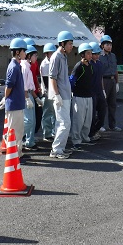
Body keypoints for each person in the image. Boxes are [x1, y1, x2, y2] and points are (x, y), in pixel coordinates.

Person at [49, 31, 74, 159]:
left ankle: (60, 148)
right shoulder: (56, 57)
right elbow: (52, 78)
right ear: (62, 43)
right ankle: (56, 150)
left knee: (62, 123)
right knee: (65, 123)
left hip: (65, 95)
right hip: (61, 96)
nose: (71, 46)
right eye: (70, 43)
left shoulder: (63, 57)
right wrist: (57, 95)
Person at [69, 43, 95, 150]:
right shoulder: (79, 66)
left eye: (91, 53)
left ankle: (85, 136)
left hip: (89, 96)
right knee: (78, 120)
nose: (90, 55)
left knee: (87, 120)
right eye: (88, 53)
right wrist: (71, 91)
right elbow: (72, 79)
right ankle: (76, 140)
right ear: (82, 54)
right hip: (79, 97)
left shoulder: (91, 66)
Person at [4, 38, 27, 159]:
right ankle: (13, 156)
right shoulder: (13, 67)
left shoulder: (17, 66)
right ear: (18, 52)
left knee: (18, 132)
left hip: (17, 104)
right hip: (14, 105)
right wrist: (5, 97)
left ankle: (18, 153)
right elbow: (9, 85)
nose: (25, 53)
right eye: (24, 51)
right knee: (13, 132)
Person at [99, 34, 121, 131]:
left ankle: (112, 125)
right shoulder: (99, 56)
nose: (109, 46)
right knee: (102, 104)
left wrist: (117, 82)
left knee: (113, 104)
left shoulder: (113, 56)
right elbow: (99, 73)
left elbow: (115, 69)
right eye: (107, 44)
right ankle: (100, 125)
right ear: (102, 45)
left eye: (110, 44)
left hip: (112, 80)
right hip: (104, 80)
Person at [21, 44, 40, 150]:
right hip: (25, 96)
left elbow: (31, 86)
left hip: (30, 95)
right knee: (28, 121)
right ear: (29, 56)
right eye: (35, 55)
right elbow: (24, 85)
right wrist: (27, 98)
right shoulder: (24, 66)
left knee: (32, 120)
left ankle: (30, 142)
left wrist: (36, 98)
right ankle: (13, 138)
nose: (36, 58)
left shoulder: (28, 66)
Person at [88, 41, 106, 141]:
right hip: (91, 93)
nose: (98, 55)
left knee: (102, 112)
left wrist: (103, 89)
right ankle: (90, 133)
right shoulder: (88, 64)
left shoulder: (99, 64)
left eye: (98, 53)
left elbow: (101, 78)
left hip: (99, 91)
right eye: (96, 54)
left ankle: (96, 129)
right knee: (91, 114)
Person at [24, 38, 42, 135]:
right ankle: (24, 138)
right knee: (28, 118)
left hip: (34, 91)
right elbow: (24, 85)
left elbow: (35, 76)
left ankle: (30, 138)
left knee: (36, 116)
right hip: (27, 93)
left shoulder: (34, 63)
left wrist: (38, 88)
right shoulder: (23, 66)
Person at [40, 43, 57, 141]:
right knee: (48, 113)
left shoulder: (54, 61)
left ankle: (54, 132)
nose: (52, 54)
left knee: (55, 113)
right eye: (51, 53)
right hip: (48, 91)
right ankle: (47, 134)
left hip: (55, 90)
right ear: (47, 54)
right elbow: (47, 82)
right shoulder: (45, 64)